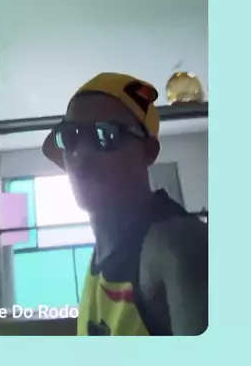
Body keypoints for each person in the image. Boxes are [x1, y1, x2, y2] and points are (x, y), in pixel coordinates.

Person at [42, 72, 208, 336]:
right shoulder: (100, 257)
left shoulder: (176, 247)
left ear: (148, 151)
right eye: (71, 136)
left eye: (105, 135)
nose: (81, 154)